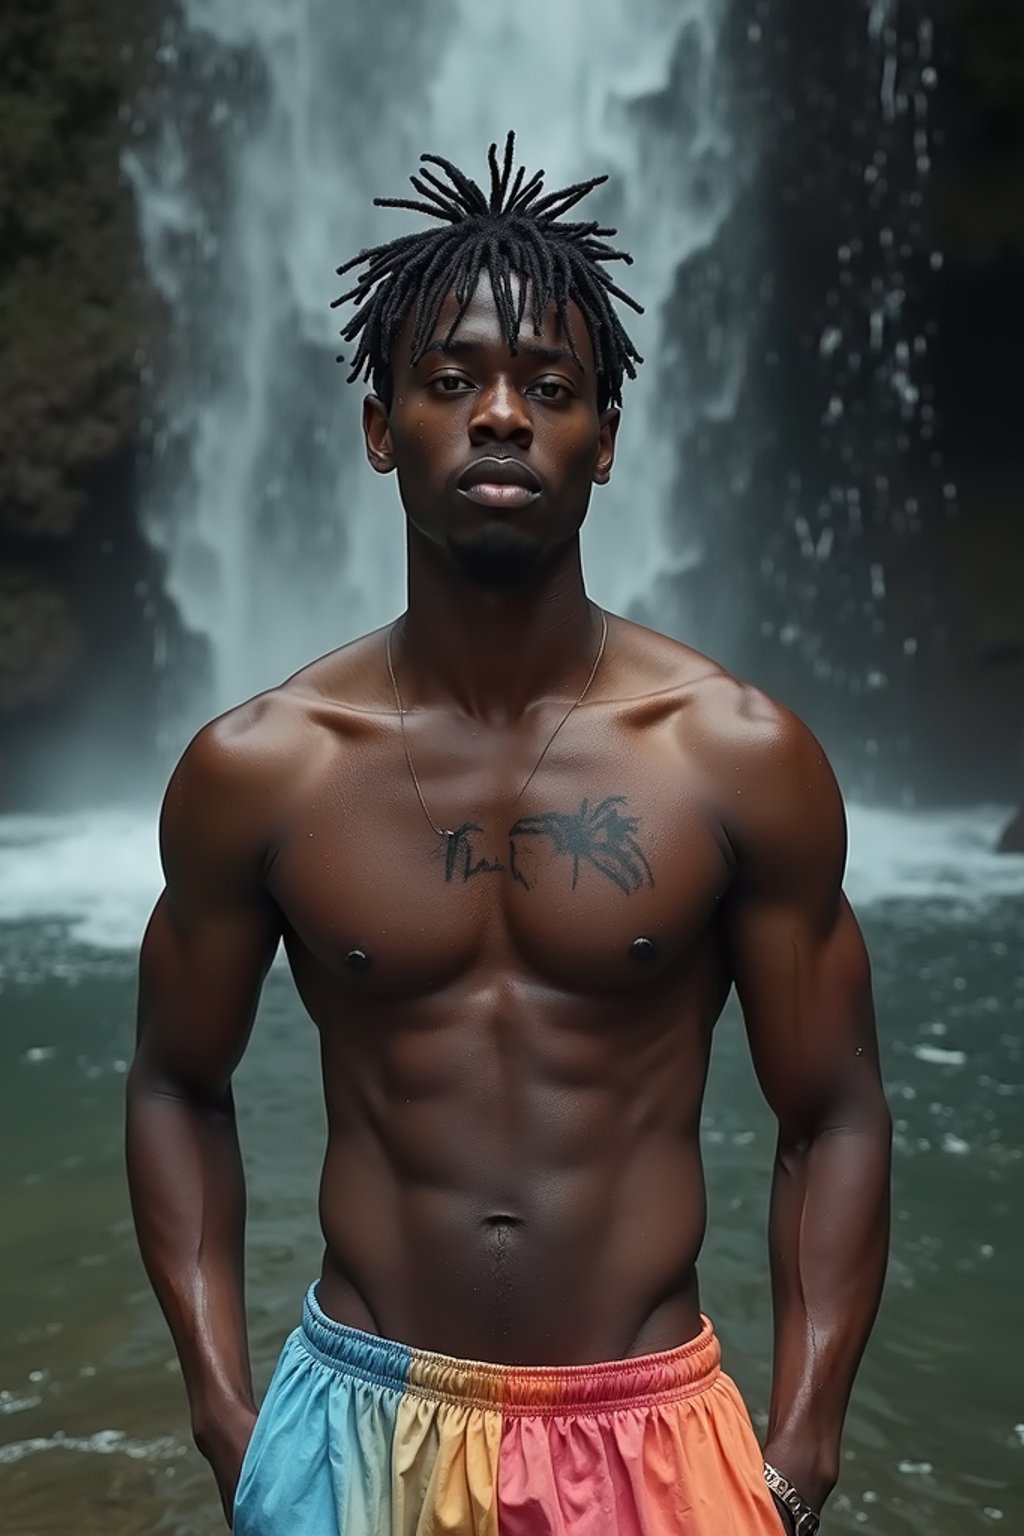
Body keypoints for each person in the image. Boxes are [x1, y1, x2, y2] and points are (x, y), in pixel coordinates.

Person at [126, 134, 891, 1536]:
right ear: (379, 427)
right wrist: (228, 1416)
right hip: (350, 1429)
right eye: (450, 380)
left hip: (655, 1430)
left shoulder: (737, 756)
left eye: (549, 390)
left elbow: (832, 1111)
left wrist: (804, 1446)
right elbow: (176, 1084)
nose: (499, 416)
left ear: (605, 440)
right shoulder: (261, 769)